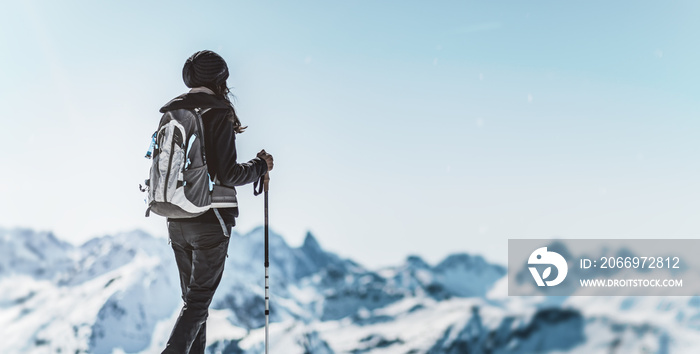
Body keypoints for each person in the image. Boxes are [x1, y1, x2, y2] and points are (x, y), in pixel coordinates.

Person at [159, 50, 273, 354]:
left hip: (176, 218)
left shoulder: (172, 113)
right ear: (220, 79)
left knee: (193, 306)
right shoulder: (218, 111)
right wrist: (260, 166)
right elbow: (229, 173)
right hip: (210, 220)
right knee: (197, 304)